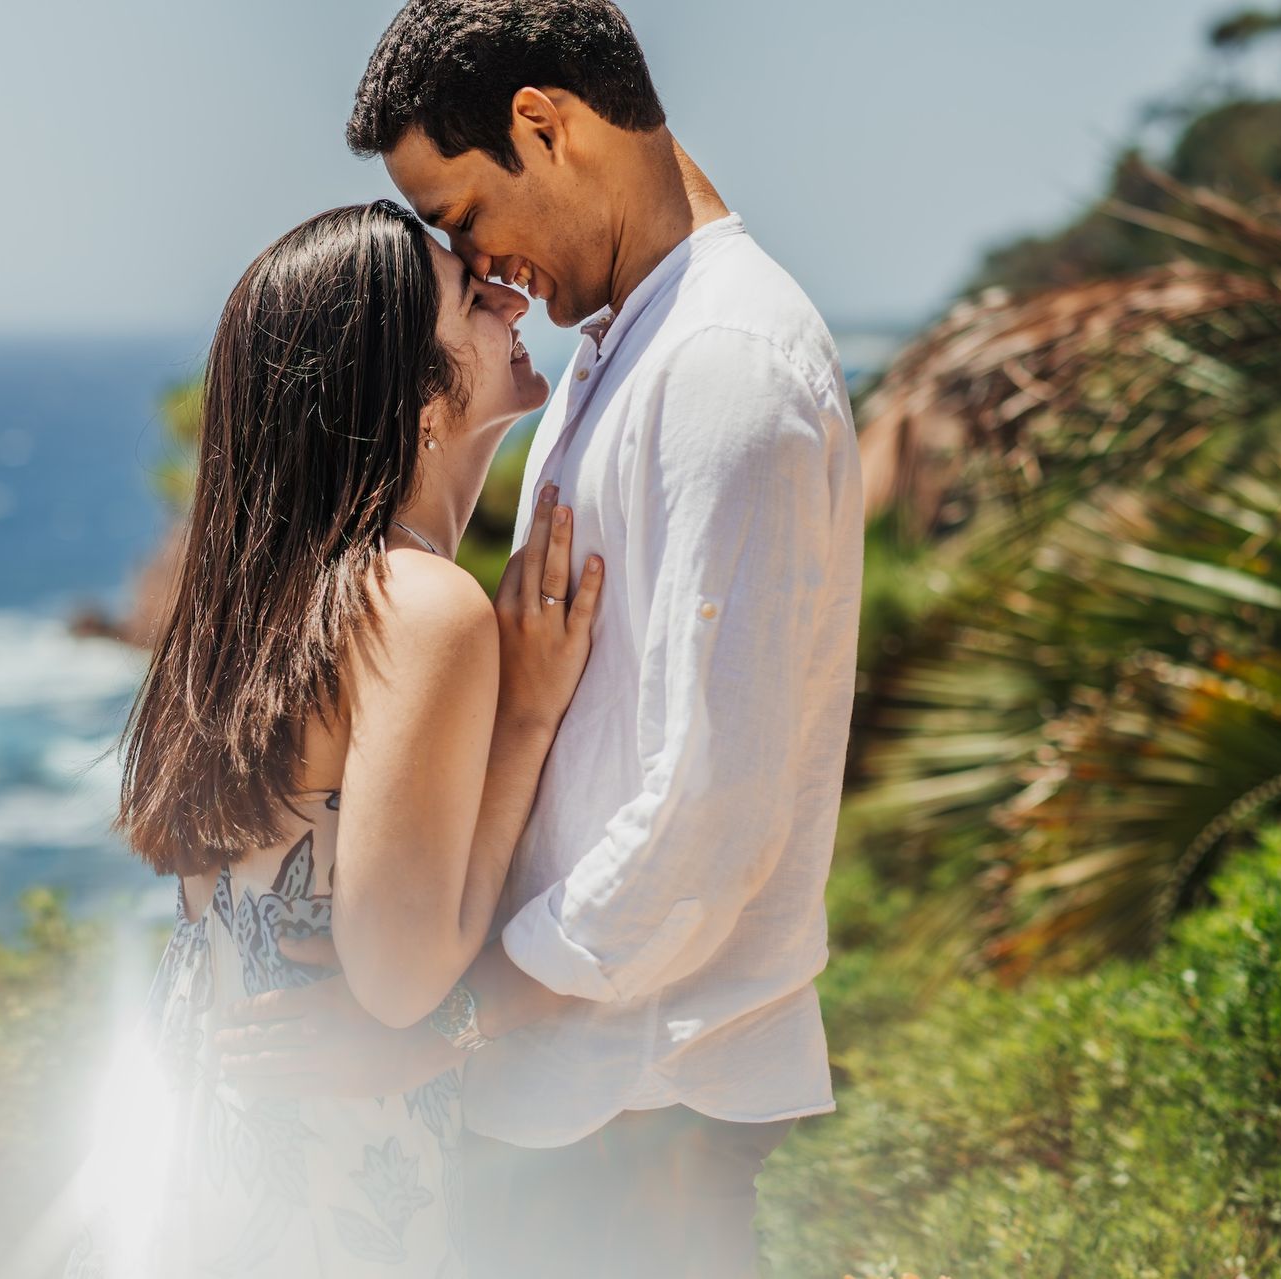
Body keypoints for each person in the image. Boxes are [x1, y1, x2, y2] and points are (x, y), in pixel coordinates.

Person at [218, 3, 867, 1276]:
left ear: (543, 124)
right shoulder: (616, 351)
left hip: (635, 1107)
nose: (488, 271)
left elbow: (705, 820)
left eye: (463, 221)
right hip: (573, 1100)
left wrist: (438, 1026)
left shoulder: (723, 363)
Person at [65, 199, 603, 1277]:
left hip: (201, 1165)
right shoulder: (421, 608)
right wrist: (528, 720)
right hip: (317, 1190)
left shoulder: (269, 610)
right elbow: (401, 980)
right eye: (467, 294)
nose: (508, 294)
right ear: (414, 398)